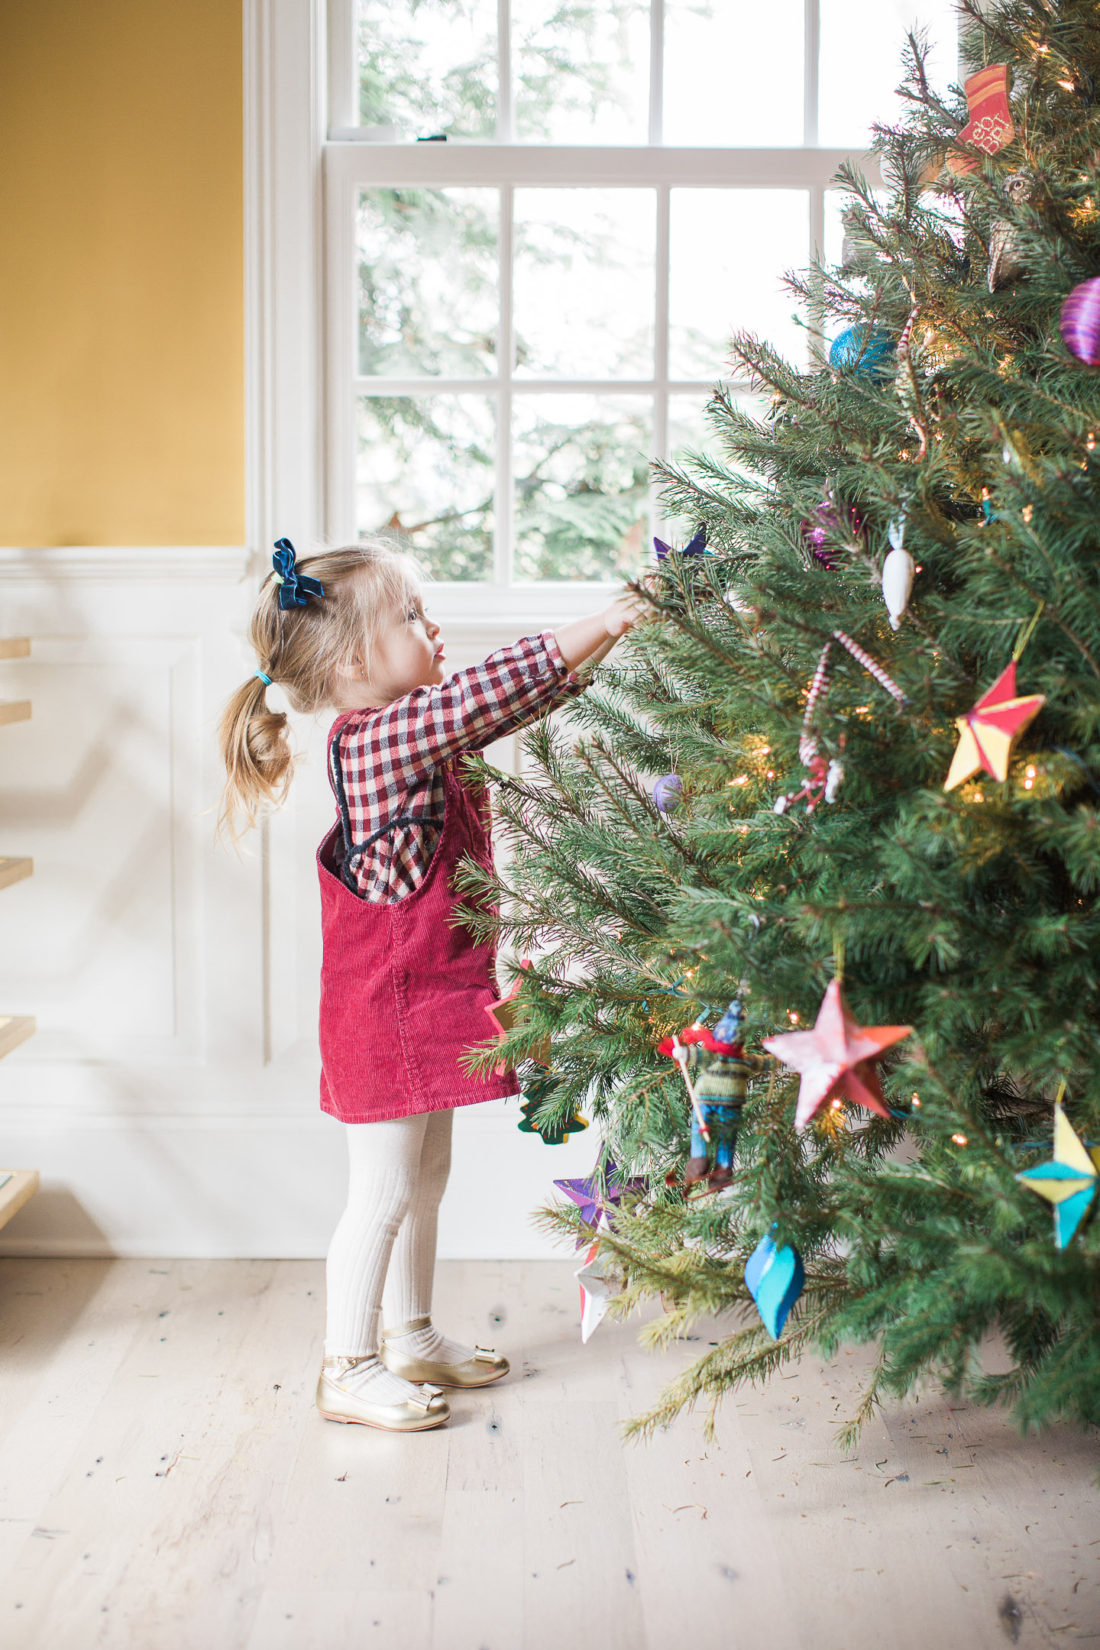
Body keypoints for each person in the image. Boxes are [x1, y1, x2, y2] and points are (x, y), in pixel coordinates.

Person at [217, 537, 650, 1433]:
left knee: (428, 1177)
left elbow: (509, 702)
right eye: (409, 617)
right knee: (380, 1192)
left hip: (430, 1001)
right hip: (388, 1014)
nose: (431, 625)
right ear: (351, 664)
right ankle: (347, 1365)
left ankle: (409, 1335)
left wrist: (617, 628)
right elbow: (479, 696)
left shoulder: (411, 727)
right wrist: (607, 616)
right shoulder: (375, 740)